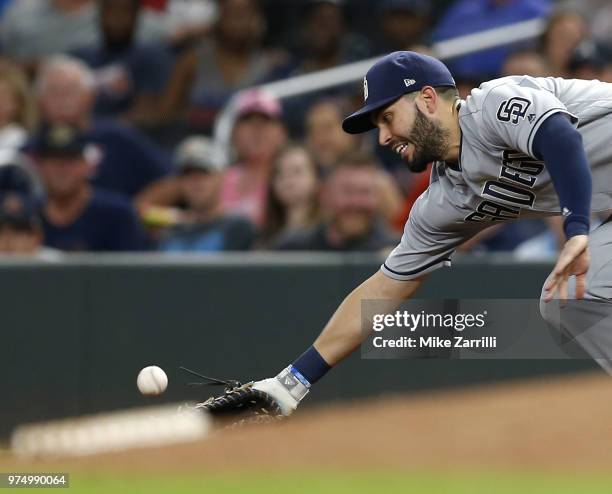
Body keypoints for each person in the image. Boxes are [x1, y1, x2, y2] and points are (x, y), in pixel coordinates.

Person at [238, 50, 612, 415]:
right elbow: (385, 288)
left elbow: (560, 136)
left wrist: (576, 228)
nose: (383, 137)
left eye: (387, 117)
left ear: (428, 99)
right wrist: (292, 381)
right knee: (566, 300)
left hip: (591, 213)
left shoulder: (492, 104)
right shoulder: (442, 204)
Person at [36, 55, 170, 199]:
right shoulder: (32, 146)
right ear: (39, 100)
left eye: (71, 91)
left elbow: (172, 178)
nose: (63, 99)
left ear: (90, 95)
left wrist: (135, 211)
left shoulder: (117, 137)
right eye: (55, 92)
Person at [31, 124, 148, 252]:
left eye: (70, 161)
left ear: (87, 165)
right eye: (53, 161)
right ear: (39, 167)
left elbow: (132, 269)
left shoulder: (117, 214)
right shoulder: (27, 215)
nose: (61, 170)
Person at [72, 0, 174, 124]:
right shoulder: (79, 57)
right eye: (110, 12)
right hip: (79, 134)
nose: (116, 21)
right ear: (99, 14)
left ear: (136, 16)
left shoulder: (151, 57)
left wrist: (105, 128)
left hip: (128, 136)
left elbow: (151, 113)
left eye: (124, 13)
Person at [276, 152, 399, 252]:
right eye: (348, 191)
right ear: (325, 195)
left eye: (365, 192)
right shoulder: (292, 251)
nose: (356, 202)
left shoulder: (398, 254)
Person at [157, 136, 256, 252]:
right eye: (188, 174)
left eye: (203, 173)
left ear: (221, 177)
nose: (195, 182)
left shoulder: (238, 227)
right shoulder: (170, 232)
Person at [259, 144, 321, 247]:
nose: (287, 179)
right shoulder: (263, 235)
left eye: (297, 171)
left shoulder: (329, 235)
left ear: (316, 178)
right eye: (279, 173)